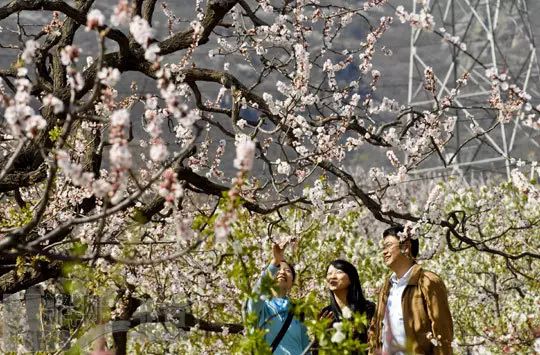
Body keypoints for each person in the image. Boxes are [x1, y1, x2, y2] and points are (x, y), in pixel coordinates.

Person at [369, 225, 453, 354]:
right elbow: (376, 330)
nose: (384, 252)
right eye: (383, 247)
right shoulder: (386, 286)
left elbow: (442, 331)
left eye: (388, 245)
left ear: (406, 247)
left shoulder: (427, 281)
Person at [246, 242, 311, 354]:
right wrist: (274, 262)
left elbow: (306, 348)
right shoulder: (262, 308)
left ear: (292, 283)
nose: (281, 272)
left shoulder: (298, 311)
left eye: (287, 271)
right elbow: (254, 299)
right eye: (277, 269)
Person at [320, 259, 376, 346]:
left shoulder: (368, 309)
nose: (332, 277)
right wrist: (321, 333)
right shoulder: (326, 313)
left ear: (351, 278)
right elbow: (317, 350)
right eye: (329, 274)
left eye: (338, 272)